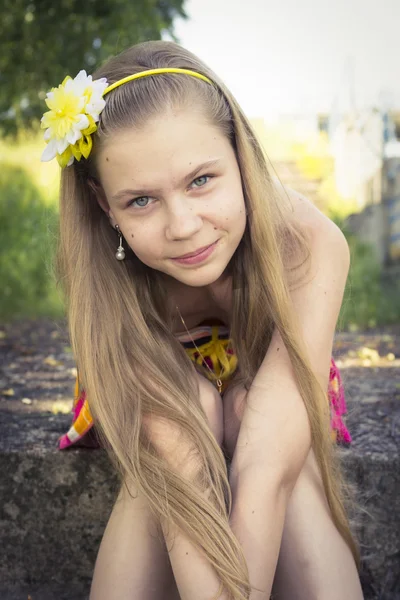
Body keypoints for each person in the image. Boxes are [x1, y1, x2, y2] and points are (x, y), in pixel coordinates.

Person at [41, 40, 364, 599]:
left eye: (201, 181)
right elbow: (181, 456)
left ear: (242, 158)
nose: (184, 225)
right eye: (140, 201)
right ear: (103, 205)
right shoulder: (103, 272)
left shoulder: (307, 244)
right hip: (156, 397)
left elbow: (267, 457)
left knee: (265, 431)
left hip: (277, 380)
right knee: (167, 456)